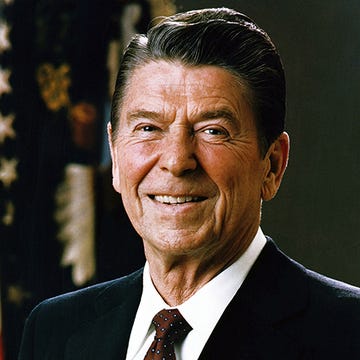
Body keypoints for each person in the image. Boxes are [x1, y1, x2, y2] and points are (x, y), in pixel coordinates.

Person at [18, 7, 360, 359]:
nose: (177, 161)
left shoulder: (348, 333)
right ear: (115, 155)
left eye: (213, 131)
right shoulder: (54, 331)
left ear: (272, 165)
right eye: (148, 129)